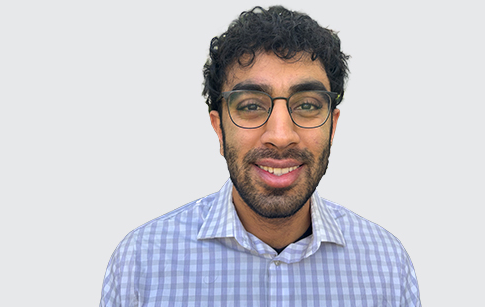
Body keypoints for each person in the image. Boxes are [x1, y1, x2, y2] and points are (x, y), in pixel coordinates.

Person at [100, 5, 421, 306]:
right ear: (219, 127)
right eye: (251, 106)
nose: (280, 135)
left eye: (307, 105)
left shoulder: (387, 266)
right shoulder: (141, 262)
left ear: (332, 126)